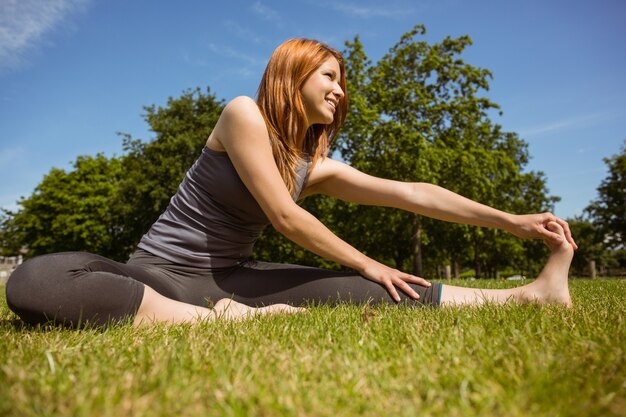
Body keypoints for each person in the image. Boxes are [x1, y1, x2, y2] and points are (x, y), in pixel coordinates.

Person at [6, 38, 577, 328]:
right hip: (159, 277)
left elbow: (411, 192)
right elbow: (284, 216)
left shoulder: (314, 165)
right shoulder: (242, 115)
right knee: (37, 280)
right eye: (329, 76)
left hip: (232, 281)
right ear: (293, 73)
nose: (340, 90)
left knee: (390, 290)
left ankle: (529, 295)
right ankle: (221, 325)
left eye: (342, 82)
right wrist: (366, 260)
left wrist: (512, 221)